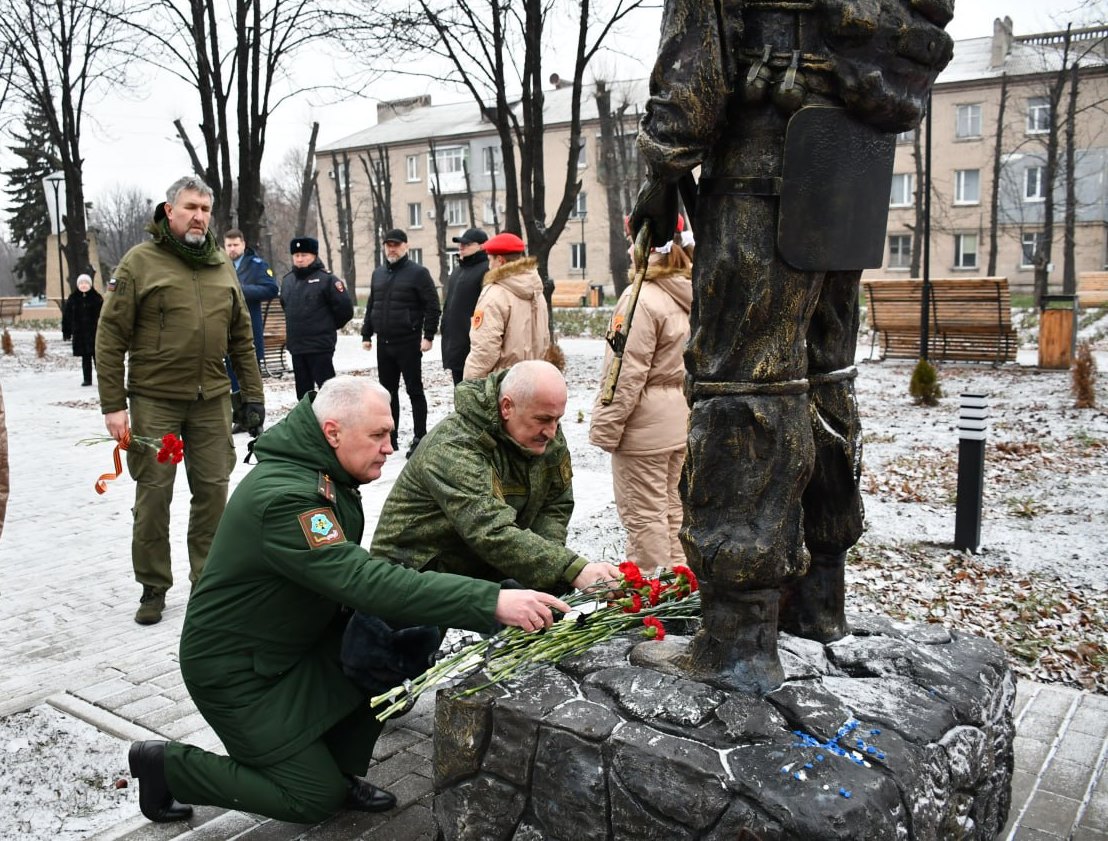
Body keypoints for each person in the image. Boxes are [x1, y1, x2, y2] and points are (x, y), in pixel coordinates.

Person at [629, 0, 953, 689]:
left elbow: (697, 57)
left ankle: (738, 640)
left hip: (766, 155)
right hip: (852, 157)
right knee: (825, 370)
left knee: (745, 383)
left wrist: (662, 170)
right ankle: (818, 602)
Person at [125, 376, 569, 826]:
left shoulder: (323, 473)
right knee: (308, 798)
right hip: (236, 670)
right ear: (333, 432)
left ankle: (340, 771)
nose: (390, 447)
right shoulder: (287, 498)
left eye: (390, 433)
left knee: (387, 645)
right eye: (378, 435)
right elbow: (360, 577)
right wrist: (491, 600)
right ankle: (167, 767)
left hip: (293, 643)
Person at [96, 175, 265, 626]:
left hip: (211, 399)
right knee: (154, 494)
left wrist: (253, 396)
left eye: (206, 209)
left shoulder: (219, 264)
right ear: (169, 211)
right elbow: (110, 336)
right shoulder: (139, 264)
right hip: (155, 400)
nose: (199, 216)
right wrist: (113, 405)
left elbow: (241, 337)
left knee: (213, 492)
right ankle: (153, 586)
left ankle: (207, 583)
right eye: (191, 207)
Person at [372, 360, 620, 595]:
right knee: (413, 640)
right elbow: (488, 527)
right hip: (411, 573)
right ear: (507, 407)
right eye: (543, 419)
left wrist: (543, 568)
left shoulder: (544, 433)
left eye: (558, 419)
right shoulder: (454, 445)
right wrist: (571, 568)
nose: (552, 431)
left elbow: (555, 504)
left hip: (480, 564)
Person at [589, 237, 693, 575]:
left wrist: (605, 427)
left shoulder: (640, 299)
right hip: (679, 419)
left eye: (631, 241)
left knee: (643, 514)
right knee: (673, 511)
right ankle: (683, 584)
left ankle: (653, 591)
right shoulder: (686, 292)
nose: (626, 250)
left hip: (643, 428)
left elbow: (623, 371)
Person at [362, 228, 440, 458]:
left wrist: (428, 336)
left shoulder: (418, 273)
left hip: (408, 341)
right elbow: (372, 306)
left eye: (396, 245)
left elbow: (433, 306)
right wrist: (366, 334)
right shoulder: (378, 274)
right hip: (384, 343)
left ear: (406, 246)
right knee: (387, 393)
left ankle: (420, 436)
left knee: (414, 390)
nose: (391, 249)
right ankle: (390, 436)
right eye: (388, 245)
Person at [462, 232, 549, 381]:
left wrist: (470, 384)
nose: (488, 265)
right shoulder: (536, 290)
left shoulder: (493, 294)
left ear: (500, 261)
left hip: (504, 383)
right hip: (537, 379)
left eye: (490, 259)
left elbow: (485, 350)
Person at [280, 236, 354, 401]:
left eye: (304, 255)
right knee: (304, 395)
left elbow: (345, 310)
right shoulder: (287, 281)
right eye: (296, 255)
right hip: (298, 347)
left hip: (320, 346)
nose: (300, 259)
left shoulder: (327, 280)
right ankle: (308, 423)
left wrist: (326, 326)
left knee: (328, 392)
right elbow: (286, 306)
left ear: (314, 256)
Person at [223, 228, 278, 431]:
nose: (232, 249)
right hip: (226, 330)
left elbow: (271, 288)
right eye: (228, 245)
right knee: (232, 376)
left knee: (250, 375)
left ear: (243, 244)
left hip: (249, 330)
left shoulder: (256, 265)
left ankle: (255, 418)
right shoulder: (221, 265)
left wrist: (241, 291)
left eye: (236, 244)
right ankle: (240, 418)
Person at [440, 227, 489, 386]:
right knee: (460, 395)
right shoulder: (458, 270)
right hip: (456, 344)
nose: (461, 246)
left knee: (475, 397)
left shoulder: (486, 270)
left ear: (482, 246)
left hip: (473, 347)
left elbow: (487, 310)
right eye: (460, 243)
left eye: (467, 244)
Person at [62, 273, 103, 387]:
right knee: (85, 358)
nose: (83, 285)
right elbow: (67, 316)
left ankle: (102, 378)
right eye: (81, 283)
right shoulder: (73, 298)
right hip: (80, 333)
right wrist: (67, 331)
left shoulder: (96, 298)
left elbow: (102, 315)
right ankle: (87, 379)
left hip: (94, 333)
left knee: (97, 358)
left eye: (86, 283)